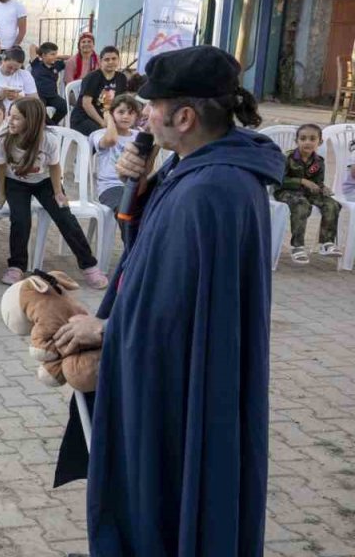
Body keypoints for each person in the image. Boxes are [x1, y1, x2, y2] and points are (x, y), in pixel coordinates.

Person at [48, 46, 279, 557]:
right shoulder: (200, 167)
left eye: (153, 105)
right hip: (179, 368)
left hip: (178, 382)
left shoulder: (211, 188)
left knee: (161, 491)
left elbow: (173, 309)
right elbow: (155, 255)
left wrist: (105, 329)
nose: (145, 114)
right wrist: (145, 185)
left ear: (185, 116)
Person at [0, 97, 108, 288]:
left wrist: (58, 192)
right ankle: (17, 266)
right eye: (10, 116)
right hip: (15, 183)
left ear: (32, 120)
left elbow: (54, 167)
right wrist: (1, 193)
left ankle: (89, 266)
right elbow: (1, 168)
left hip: (45, 183)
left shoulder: (48, 139)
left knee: (65, 217)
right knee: (20, 220)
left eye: (16, 118)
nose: (10, 121)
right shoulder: (4, 139)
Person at [276, 123, 344, 262]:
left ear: (320, 142)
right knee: (302, 204)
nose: (308, 142)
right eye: (303, 138)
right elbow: (279, 180)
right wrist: (301, 181)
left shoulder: (319, 162)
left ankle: (326, 243)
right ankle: (297, 246)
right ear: (297, 141)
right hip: (286, 191)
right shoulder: (287, 158)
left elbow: (318, 182)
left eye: (312, 139)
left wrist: (323, 188)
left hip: (308, 193)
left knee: (332, 204)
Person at [89, 94, 142, 220]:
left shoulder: (138, 135)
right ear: (112, 114)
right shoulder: (99, 135)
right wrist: (108, 120)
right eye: (121, 112)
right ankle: (131, 239)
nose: (125, 116)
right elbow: (112, 140)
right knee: (126, 212)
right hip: (111, 187)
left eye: (131, 113)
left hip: (134, 185)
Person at [70, 45, 128, 136]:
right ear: (101, 61)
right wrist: (102, 123)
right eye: (107, 59)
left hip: (107, 117)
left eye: (114, 59)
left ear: (118, 60)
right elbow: (86, 104)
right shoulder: (92, 77)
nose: (110, 62)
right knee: (104, 136)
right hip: (84, 119)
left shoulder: (121, 78)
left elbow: (122, 101)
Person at [30, 42, 69, 125]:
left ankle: (52, 124)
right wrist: (41, 52)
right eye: (52, 54)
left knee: (64, 106)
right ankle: (52, 126)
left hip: (53, 96)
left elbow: (71, 58)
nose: (55, 56)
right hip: (39, 95)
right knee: (40, 110)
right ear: (43, 55)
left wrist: (57, 57)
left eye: (55, 54)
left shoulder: (57, 65)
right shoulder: (36, 63)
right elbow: (32, 46)